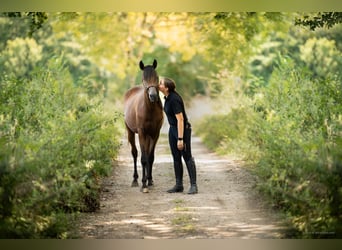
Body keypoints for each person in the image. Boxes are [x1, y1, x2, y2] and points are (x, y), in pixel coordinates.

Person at [158, 77, 198, 194]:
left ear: (166, 88)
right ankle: (179, 185)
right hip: (173, 129)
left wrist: (180, 139)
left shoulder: (174, 99)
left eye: (160, 84)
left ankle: (193, 185)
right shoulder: (167, 98)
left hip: (182, 130)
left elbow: (180, 119)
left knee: (187, 156)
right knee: (176, 157)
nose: (158, 85)